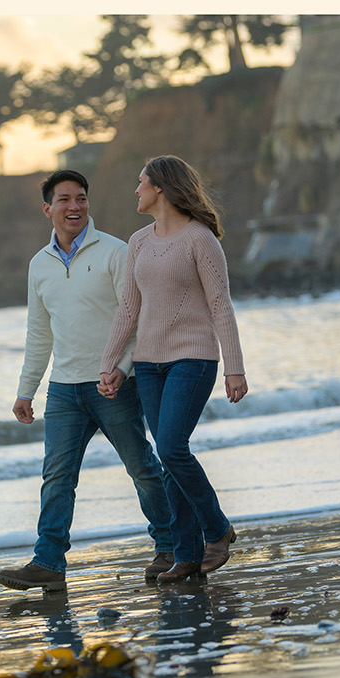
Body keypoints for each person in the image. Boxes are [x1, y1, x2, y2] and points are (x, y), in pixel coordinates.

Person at [0, 169, 176, 592]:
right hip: (63, 390)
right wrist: (27, 390)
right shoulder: (39, 266)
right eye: (63, 200)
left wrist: (123, 367)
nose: (73, 206)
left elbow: (135, 318)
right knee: (56, 477)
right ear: (48, 209)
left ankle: (170, 547)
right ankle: (49, 563)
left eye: (80, 198)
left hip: (112, 384)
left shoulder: (116, 252)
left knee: (143, 469)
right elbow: (38, 333)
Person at [98, 155, 249, 584]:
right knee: (168, 461)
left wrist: (234, 369)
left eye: (140, 183)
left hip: (193, 358)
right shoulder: (139, 242)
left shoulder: (200, 240)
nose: (136, 190)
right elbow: (129, 308)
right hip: (148, 364)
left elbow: (221, 305)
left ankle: (217, 530)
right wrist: (109, 365)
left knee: (171, 448)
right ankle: (186, 555)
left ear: (160, 188)